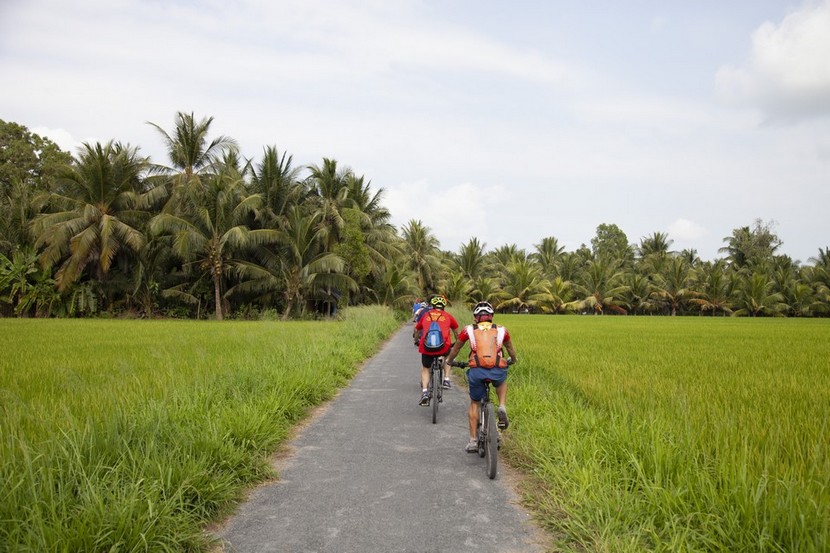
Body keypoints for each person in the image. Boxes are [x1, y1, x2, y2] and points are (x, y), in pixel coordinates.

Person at [443, 301, 517, 453]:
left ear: (476, 317)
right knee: (501, 381)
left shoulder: (468, 330)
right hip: (497, 369)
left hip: (477, 370)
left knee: (475, 403)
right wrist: (513, 360)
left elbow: (456, 348)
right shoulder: (502, 330)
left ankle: (473, 441)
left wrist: (450, 361)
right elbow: (510, 349)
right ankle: (502, 405)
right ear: (491, 317)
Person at [413, 294, 459, 405]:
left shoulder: (426, 315)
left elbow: (417, 330)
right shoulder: (448, 316)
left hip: (427, 347)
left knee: (426, 368)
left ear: (433, 306)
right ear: (444, 306)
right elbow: (456, 332)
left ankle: (424, 392)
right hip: (443, 346)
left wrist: (416, 340)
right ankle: (447, 379)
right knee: (448, 357)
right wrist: (456, 343)